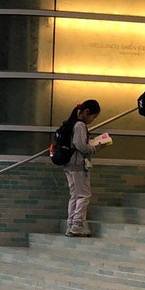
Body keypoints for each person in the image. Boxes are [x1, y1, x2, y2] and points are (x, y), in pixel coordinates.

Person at [61, 99, 102, 237]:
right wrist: (94, 148)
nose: (92, 120)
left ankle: (71, 224)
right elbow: (80, 145)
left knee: (74, 195)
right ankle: (77, 224)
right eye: (93, 117)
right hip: (77, 165)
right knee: (84, 195)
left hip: (68, 165)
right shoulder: (79, 125)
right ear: (86, 112)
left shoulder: (71, 123)